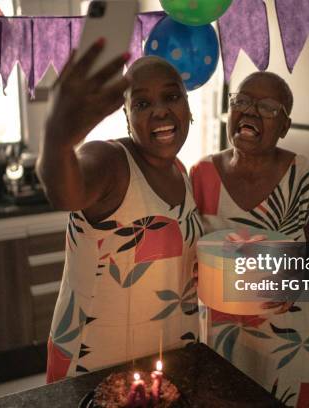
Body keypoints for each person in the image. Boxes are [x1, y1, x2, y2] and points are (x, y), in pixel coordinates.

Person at [37, 42, 201, 382]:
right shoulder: (110, 162)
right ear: (126, 117)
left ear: (188, 107)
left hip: (163, 360)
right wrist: (57, 139)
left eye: (172, 97)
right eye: (141, 103)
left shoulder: (183, 174)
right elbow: (67, 192)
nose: (159, 111)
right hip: (95, 365)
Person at [190, 71, 309, 407]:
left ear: (285, 127)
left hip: (289, 345)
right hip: (220, 340)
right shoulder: (201, 174)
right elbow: (189, 252)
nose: (251, 112)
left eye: (268, 107)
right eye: (242, 101)